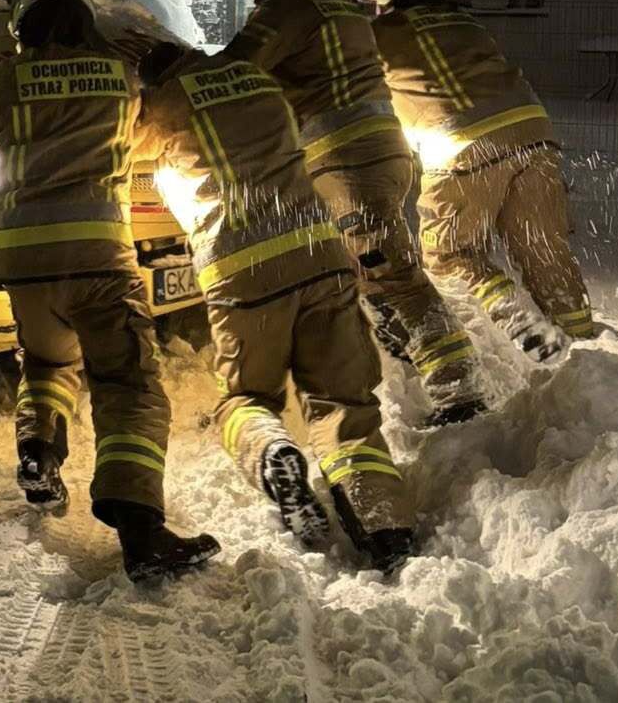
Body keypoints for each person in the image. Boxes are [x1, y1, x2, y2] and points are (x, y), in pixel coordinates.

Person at [0, 0, 221, 583]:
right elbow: (146, 141)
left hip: (25, 263)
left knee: (45, 364)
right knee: (127, 382)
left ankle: (39, 454)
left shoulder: (1, 82)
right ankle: (141, 527)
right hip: (99, 259)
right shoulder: (120, 78)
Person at [138, 36, 416, 574]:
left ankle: (271, 453)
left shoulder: (162, 106)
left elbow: (99, 146)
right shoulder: (260, 82)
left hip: (243, 271)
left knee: (246, 397)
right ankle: (386, 528)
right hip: (319, 252)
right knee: (344, 403)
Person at [220, 0, 485, 425]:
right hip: (376, 156)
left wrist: (171, 69)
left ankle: (461, 391)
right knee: (364, 270)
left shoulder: (287, 10)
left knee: (395, 272)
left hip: (349, 162)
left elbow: (233, 71)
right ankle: (410, 353)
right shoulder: (340, 7)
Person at [360, 0, 595, 360]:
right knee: (542, 247)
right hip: (535, 136)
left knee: (451, 254)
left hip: (465, 147)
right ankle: (585, 346)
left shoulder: (382, 34)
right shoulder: (465, 23)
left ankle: (525, 330)